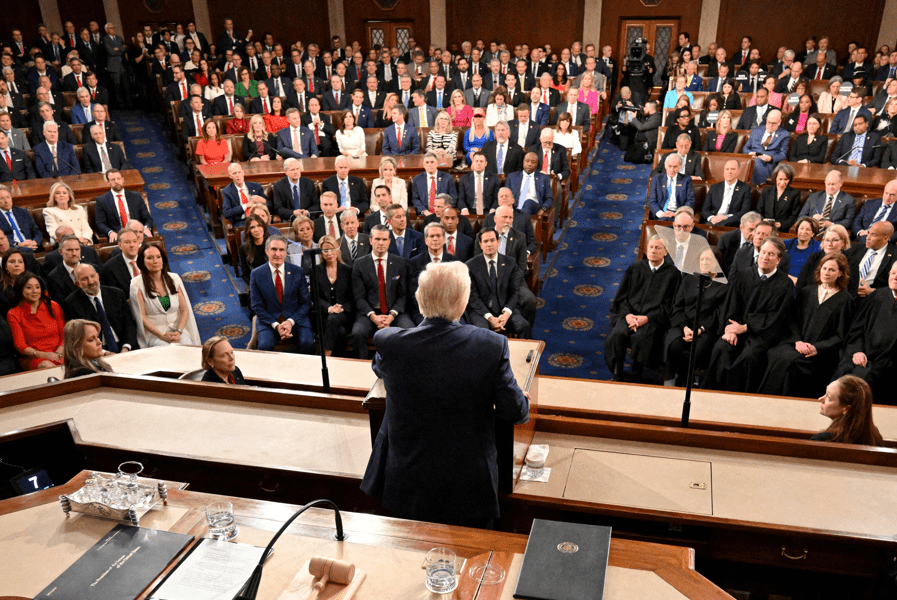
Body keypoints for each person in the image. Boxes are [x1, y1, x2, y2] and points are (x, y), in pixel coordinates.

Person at [360, 260, 528, 528]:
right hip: (469, 489)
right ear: (463, 302)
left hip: (407, 483)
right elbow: (516, 412)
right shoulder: (490, 346)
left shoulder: (391, 343)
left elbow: (381, 367)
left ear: (418, 300)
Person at [702, 237, 794, 393]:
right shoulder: (743, 276)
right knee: (721, 348)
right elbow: (730, 306)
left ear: (778, 259)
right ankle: (710, 396)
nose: (765, 257)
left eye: (771, 254)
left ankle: (740, 401)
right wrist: (730, 329)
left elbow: (776, 318)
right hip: (735, 327)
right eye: (763, 252)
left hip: (761, 334)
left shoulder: (785, 284)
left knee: (749, 357)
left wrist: (745, 327)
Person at [759, 253, 853, 398]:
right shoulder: (806, 292)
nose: (826, 273)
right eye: (824, 268)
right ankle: (766, 400)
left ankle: (786, 404)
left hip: (820, 352)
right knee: (775, 354)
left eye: (832, 270)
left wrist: (817, 347)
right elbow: (792, 321)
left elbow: (841, 335)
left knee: (792, 362)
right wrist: (797, 341)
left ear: (840, 273)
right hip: (796, 343)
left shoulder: (845, 300)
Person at [605, 236, 680, 382]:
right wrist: (628, 315)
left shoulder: (672, 274)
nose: (653, 251)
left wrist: (647, 318)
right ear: (646, 250)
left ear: (666, 252)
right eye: (651, 247)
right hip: (630, 314)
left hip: (653, 319)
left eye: (658, 248)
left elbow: (669, 305)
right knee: (618, 333)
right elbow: (622, 297)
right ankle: (617, 371)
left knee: (642, 337)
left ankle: (636, 372)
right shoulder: (636, 268)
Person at [664, 247, 728, 387]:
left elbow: (719, 313)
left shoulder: (724, 285)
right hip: (684, 324)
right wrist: (685, 327)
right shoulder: (689, 279)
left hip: (707, 328)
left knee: (698, 350)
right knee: (674, 346)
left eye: (709, 259)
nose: (704, 262)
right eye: (702, 259)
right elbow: (678, 306)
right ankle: (684, 376)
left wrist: (700, 329)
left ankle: (688, 379)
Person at [350, 225, 413, 359]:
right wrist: (373, 316)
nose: (381, 243)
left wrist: (391, 315)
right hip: (369, 312)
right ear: (370, 240)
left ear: (389, 241)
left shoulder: (400, 263)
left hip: (394, 312)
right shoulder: (359, 264)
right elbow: (359, 297)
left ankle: (403, 371)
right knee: (357, 333)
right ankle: (362, 371)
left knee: (410, 331)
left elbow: (403, 295)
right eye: (377, 239)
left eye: (384, 239)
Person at [249, 235, 314, 353]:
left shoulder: (297, 272)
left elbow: (306, 303)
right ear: (267, 251)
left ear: (286, 252)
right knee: (264, 346)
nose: (277, 254)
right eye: (274, 249)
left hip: (296, 318)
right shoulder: (256, 274)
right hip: (269, 321)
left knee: (308, 343)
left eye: (281, 250)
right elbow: (257, 306)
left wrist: (290, 321)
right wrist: (276, 325)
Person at [464, 227, 532, 339]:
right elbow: (473, 298)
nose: (489, 244)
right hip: (481, 312)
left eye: (492, 240)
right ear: (480, 244)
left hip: (505, 309)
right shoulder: (470, 266)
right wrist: (490, 318)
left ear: (498, 242)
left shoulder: (510, 263)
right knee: (482, 332)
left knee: (524, 326)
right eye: (485, 241)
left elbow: (514, 293)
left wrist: (506, 314)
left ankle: (526, 355)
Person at [130, 243, 201, 348]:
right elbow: (142, 318)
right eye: (150, 258)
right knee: (168, 351)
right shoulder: (136, 284)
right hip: (155, 334)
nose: (155, 261)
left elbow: (184, 310)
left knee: (187, 347)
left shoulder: (174, 278)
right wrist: (162, 336)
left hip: (177, 330)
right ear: (142, 262)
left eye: (158, 257)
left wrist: (179, 331)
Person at [65, 263, 137, 353]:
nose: (91, 282)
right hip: (96, 351)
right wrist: (103, 353)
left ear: (98, 276)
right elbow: (78, 336)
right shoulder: (71, 303)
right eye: (84, 279)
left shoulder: (117, 294)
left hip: (124, 346)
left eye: (92, 276)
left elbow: (129, 324)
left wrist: (126, 347)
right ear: (77, 284)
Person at [7, 272, 65, 370]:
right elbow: (20, 345)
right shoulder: (13, 313)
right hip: (34, 357)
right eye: (29, 288)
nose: (35, 291)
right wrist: (44, 355)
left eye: (37, 287)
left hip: (60, 352)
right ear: (20, 290)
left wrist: (58, 353)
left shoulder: (53, 306)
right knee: (48, 366)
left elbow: (65, 335)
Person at [812, 376, 883, 444]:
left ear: (846, 409)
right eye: (825, 393)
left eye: (829, 397)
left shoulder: (822, 440)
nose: (821, 399)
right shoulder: (875, 437)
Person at [314, 235, 354, 355]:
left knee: (334, 319)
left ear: (337, 250)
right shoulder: (315, 270)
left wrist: (341, 308)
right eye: (325, 250)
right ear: (321, 253)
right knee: (340, 331)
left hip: (344, 314)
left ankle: (326, 356)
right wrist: (329, 308)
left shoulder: (347, 270)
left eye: (332, 249)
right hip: (324, 315)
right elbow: (315, 297)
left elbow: (352, 298)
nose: (329, 253)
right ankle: (339, 361)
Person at [95, 170, 154, 241]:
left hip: (137, 232)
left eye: (118, 178)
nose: (116, 182)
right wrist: (110, 232)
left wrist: (146, 228)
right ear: (108, 182)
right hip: (118, 234)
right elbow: (100, 223)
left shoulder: (135, 196)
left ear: (123, 180)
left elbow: (147, 218)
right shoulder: (101, 200)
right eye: (113, 180)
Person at [795, 225, 851, 291]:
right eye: (827, 240)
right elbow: (800, 284)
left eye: (835, 240)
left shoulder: (850, 261)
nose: (830, 244)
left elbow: (851, 291)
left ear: (843, 242)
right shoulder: (813, 257)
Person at [743, 109, 787, 185]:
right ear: (766, 120)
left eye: (773, 123)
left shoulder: (784, 134)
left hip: (768, 164)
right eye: (769, 122)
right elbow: (745, 149)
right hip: (753, 160)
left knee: (756, 162)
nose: (770, 125)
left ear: (779, 122)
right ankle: (760, 186)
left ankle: (754, 187)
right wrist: (750, 153)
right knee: (755, 161)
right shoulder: (756, 131)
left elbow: (783, 154)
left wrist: (771, 159)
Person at [647, 154, 696, 220]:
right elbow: (652, 200)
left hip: (678, 214)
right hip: (661, 213)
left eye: (675, 167)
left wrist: (677, 213)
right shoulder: (657, 179)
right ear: (665, 165)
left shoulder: (686, 180)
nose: (671, 169)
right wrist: (661, 214)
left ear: (680, 167)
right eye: (669, 166)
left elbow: (690, 201)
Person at [756, 164, 801, 232]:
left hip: (781, 229)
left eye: (786, 179)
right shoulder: (766, 191)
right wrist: (763, 220)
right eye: (780, 179)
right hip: (765, 227)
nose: (782, 182)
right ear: (775, 178)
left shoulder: (794, 194)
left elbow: (793, 216)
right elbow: (759, 211)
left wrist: (781, 224)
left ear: (790, 179)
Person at [239, 214, 270, 285]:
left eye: (259, 225)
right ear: (248, 231)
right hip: (256, 284)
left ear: (263, 227)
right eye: (252, 227)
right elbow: (245, 274)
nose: (256, 230)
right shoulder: (244, 249)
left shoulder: (273, 243)